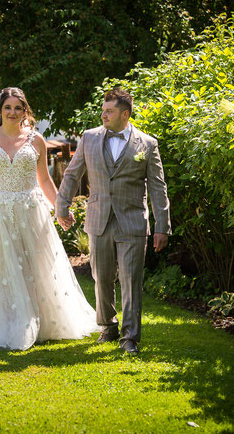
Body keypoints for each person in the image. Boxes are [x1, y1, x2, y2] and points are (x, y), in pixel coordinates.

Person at [0, 87, 100, 350]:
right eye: (7, 107)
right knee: (2, 266)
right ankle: (6, 318)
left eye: (18, 108)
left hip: (29, 209)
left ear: (25, 111)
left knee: (34, 265)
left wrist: (60, 208)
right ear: (0, 111)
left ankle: (40, 318)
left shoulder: (36, 140)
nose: (13, 112)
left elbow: (44, 180)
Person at [55, 88, 171, 355]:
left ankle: (130, 336)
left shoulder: (148, 144)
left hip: (132, 221)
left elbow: (157, 187)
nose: (103, 115)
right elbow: (72, 175)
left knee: (131, 280)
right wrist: (62, 205)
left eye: (109, 111)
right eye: (103, 110)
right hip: (99, 219)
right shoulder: (89, 138)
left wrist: (162, 226)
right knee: (102, 277)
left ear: (125, 114)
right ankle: (108, 325)